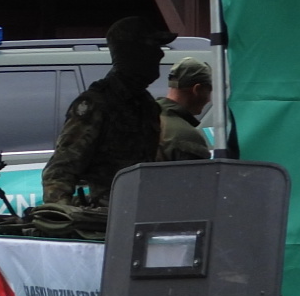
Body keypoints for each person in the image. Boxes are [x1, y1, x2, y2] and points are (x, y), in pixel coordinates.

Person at [41, 14, 173, 205]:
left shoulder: (146, 104)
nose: (160, 54)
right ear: (132, 51)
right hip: (105, 216)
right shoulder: (97, 104)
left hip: (138, 210)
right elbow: (60, 171)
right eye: (154, 46)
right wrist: (61, 215)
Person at [158, 56, 213, 160]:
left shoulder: (143, 117)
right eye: (208, 92)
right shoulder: (186, 137)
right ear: (197, 89)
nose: (209, 100)